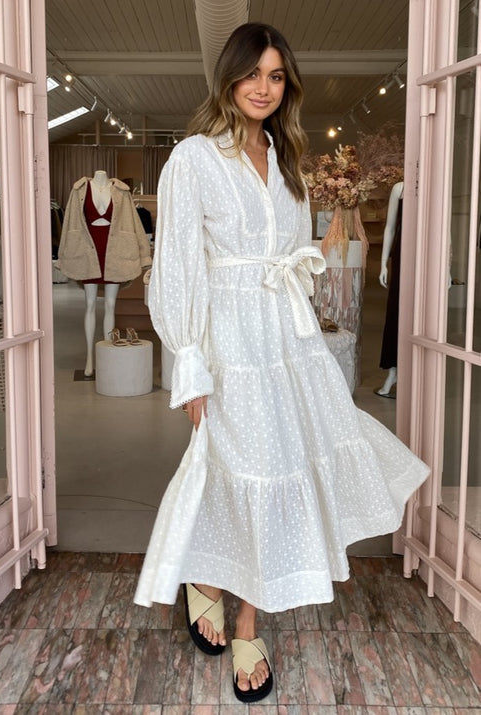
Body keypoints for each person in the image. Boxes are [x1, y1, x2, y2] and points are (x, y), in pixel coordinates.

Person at [134, 23, 429, 703]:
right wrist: (190, 363)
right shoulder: (193, 158)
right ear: (228, 78)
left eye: (275, 76)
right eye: (252, 74)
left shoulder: (287, 157)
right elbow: (176, 268)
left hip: (288, 342)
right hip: (230, 344)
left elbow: (293, 257)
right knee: (237, 474)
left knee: (285, 468)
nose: (263, 88)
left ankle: (244, 618)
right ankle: (207, 578)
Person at [58, 170, 151, 377]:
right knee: (90, 305)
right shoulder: (79, 189)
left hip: (115, 251)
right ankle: (90, 358)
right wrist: (63, 255)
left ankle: (108, 356)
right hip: (88, 250)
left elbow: (135, 224)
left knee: (110, 305)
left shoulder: (121, 191)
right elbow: (69, 222)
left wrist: (144, 256)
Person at [376, 181, 404, 397]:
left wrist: (446, 267)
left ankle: (416, 374)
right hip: (403, 256)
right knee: (396, 313)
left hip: (429, 258)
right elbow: (390, 227)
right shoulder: (400, 189)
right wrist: (383, 263)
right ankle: (392, 372)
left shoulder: (439, 186)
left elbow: (445, 229)